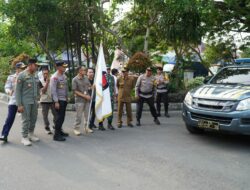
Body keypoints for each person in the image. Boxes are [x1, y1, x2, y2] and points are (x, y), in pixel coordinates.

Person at [0, 62, 26, 143]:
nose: (23, 70)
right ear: (17, 69)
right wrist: (8, 91)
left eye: (24, 68)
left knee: (27, 119)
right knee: (10, 118)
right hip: (14, 101)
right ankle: (4, 134)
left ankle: (28, 135)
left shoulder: (27, 77)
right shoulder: (11, 77)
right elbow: (7, 86)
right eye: (21, 68)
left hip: (24, 102)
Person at [16, 58, 40, 146]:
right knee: (26, 119)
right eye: (35, 65)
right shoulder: (22, 75)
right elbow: (17, 91)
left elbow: (37, 88)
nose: (37, 67)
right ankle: (24, 137)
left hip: (34, 101)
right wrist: (19, 105)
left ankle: (31, 134)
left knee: (34, 118)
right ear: (30, 65)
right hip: (25, 101)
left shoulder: (35, 75)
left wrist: (38, 98)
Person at [50, 61, 69, 141]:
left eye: (65, 66)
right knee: (59, 118)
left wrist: (67, 97)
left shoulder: (63, 75)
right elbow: (53, 90)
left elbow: (65, 88)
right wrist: (56, 101)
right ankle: (56, 135)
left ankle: (60, 131)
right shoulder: (54, 77)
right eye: (63, 66)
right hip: (58, 100)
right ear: (58, 67)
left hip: (64, 99)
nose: (64, 67)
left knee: (62, 117)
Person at [72, 66, 93, 136]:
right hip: (79, 100)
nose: (85, 71)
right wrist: (85, 96)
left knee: (87, 115)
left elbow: (89, 86)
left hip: (87, 100)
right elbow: (75, 91)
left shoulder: (86, 78)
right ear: (80, 71)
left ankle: (86, 127)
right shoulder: (75, 79)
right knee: (79, 116)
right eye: (84, 70)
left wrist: (92, 87)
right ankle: (76, 129)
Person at [39, 68, 57, 135]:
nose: (46, 75)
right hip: (44, 100)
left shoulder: (52, 80)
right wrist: (47, 83)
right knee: (45, 115)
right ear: (42, 74)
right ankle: (47, 127)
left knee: (56, 114)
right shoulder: (40, 81)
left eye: (47, 73)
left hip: (52, 100)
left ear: (49, 73)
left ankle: (56, 126)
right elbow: (43, 91)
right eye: (44, 73)